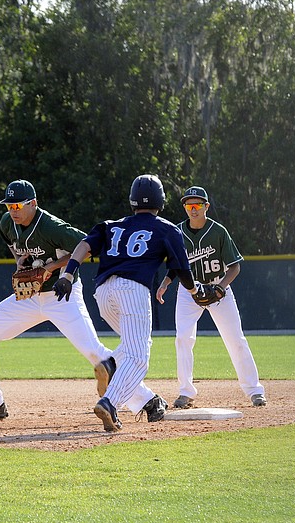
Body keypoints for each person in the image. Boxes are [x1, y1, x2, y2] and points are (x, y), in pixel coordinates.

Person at [53, 175, 198, 432]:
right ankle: (110, 403)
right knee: (140, 358)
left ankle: (110, 365)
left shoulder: (111, 225)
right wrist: (194, 290)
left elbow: (84, 245)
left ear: (132, 201)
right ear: (161, 202)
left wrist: (67, 274)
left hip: (104, 293)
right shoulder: (167, 229)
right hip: (133, 291)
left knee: (135, 346)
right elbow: (183, 270)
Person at [0, 179, 118, 424]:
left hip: (62, 296)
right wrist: (19, 261)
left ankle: (148, 400)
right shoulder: (7, 224)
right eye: (9, 206)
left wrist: (52, 267)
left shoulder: (52, 227)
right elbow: (14, 246)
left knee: (94, 352)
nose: (13, 211)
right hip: (29, 297)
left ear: (33, 204)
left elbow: (89, 245)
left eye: (18, 206)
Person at [156, 186, 266, 409]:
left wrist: (221, 288)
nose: (193, 209)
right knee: (183, 339)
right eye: (189, 205)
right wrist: (166, 283)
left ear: (206, 207)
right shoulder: (177, 232)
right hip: (189, 291)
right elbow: (176, 266)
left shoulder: (218, 232)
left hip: (218, 287)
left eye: (197, 205)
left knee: (235, 339)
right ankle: (186, 392)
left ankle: (254, 390)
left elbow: (234, 267)